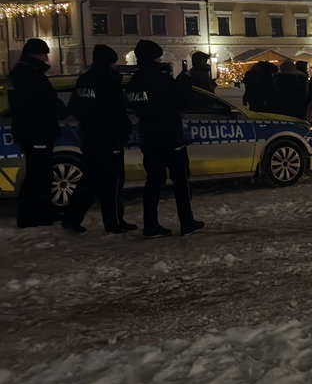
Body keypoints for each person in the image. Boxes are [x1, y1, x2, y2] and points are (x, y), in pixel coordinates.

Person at [126, 39, 203, 237]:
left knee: (153, 181)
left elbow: (138, 106)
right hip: (169, 134)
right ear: (155, 56)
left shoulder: (135, 80)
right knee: (180, 179)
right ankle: (187, 221)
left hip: (149, 136)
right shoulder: (161, 76)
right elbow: (180, 101)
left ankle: (150, 224)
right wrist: (184, 80)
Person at [61, 45, 136, 234]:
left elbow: (75, 108)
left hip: (89, 138)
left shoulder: (84, 80)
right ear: (110, 62)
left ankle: (72, 218)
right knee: (113, 183)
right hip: (109, 139)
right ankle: (114, 222)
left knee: (90, 181)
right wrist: (124, 130)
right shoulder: (109, 81)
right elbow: (117, 111)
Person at [9, 38, 67, 228]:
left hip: (31, 130)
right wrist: (62, 113)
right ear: (36, 54)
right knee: (38, 175)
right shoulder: (31, 75)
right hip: (37, 131)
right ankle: (32, 216)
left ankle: (41, 212)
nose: (46, 57)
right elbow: (47, 100)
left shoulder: (22, 74)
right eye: (44, 53)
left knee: (40, 173)